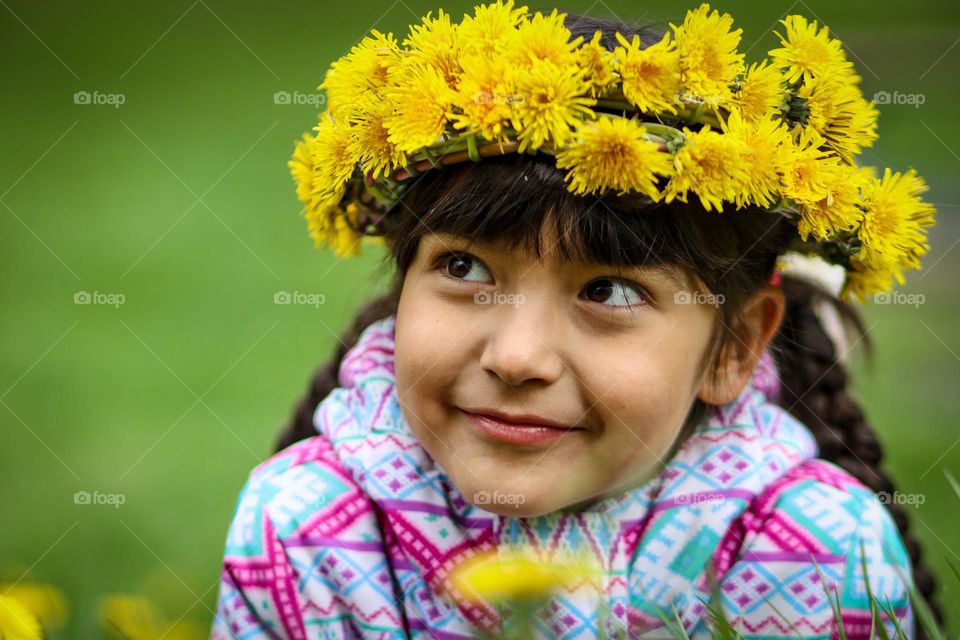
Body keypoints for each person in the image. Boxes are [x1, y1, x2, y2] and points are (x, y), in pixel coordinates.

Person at [210, 3, 941, 638]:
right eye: (465, 269)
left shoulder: (815, 553)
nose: (519, 356)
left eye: (611, 292)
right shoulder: (303, 530)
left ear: (737, 345)